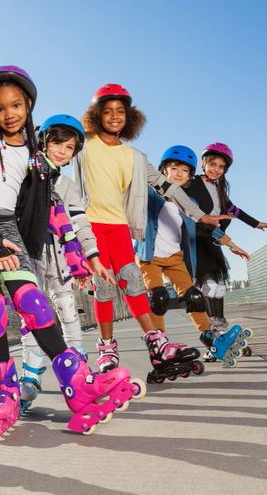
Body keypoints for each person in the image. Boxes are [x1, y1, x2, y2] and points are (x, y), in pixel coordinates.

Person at [0, 68, 143, 440]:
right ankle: (6, 389)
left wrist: (90, 255)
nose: (9, 113)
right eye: (0, 107)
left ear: (29, 106)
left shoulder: (38, 161)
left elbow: (67, 212)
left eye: (17, 105)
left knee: (36, 305)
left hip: (11, 227)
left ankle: (78, 387)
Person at [74, 84, 229, 374]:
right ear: (96, 114)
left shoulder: (134, 157)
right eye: (107, 111)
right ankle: (107, 347)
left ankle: (156, 344)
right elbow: (56, 141)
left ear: (130, 117)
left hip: (120, 226)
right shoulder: (84, 143)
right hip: (91, 224)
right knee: (104, 287)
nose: (114, 116)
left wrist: (199, 215)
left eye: (121, 111)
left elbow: (167, 187)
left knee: (133, 282)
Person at [19, 114, 115, 413]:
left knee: (68, 312)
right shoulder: (26, 169)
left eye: (70, 147)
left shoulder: (69, 185)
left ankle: (80, 374)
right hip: (29, 251)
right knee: (32, 317)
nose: (62, 150)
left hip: (60, 257)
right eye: (58, 142)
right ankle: (30, 379)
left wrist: (93, 257)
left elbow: (79, 221)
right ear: (44, 140)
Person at [134, 145, 252, 380]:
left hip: (175, 258)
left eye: (185, 171)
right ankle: (159, 350)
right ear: (163, 171)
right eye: (173, 168)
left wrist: (231, 244)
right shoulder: (149, 193)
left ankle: (212, 339)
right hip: (149, 256)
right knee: (158, 298)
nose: (178, 173)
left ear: (190, 176)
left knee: (194, 297)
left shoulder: (187, 202)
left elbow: (206, 226)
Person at [185, 142, 267, 364]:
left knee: (218, 288)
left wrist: (255, 224)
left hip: (212, 242)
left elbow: (234, 210)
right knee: (208, 288)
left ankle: (218, 335)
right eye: (212, 164)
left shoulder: (220, 188)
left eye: (221, 167)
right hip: (196, 240)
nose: (215, 169)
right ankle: (214, 337)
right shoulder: (191, 182)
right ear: (203, 163)